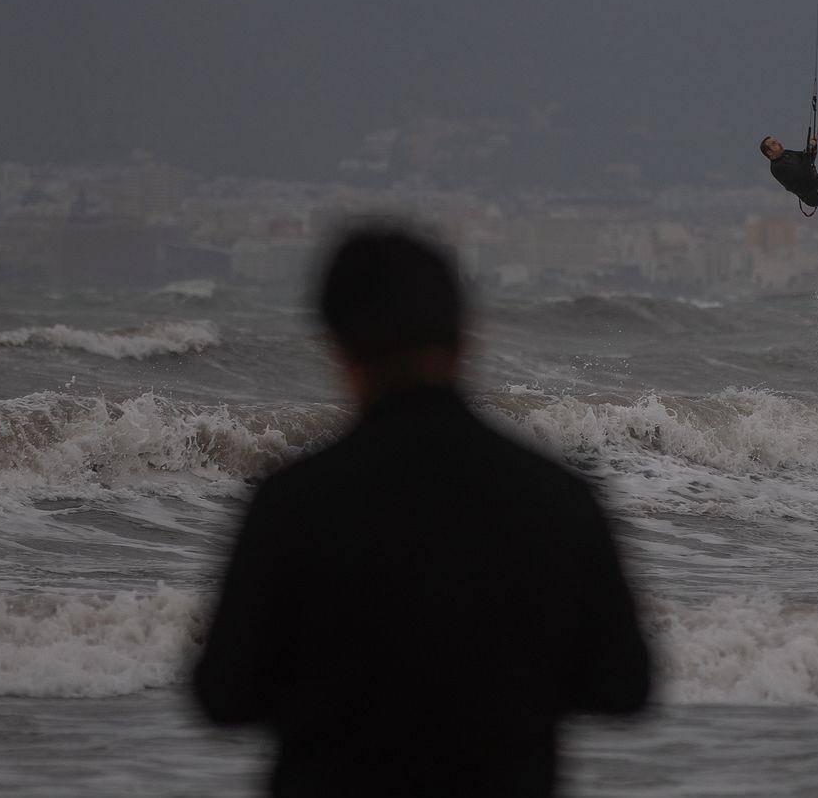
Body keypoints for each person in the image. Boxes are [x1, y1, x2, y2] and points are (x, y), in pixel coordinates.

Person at [193, 224, 652, 797]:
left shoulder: (294, 501)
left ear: (338, 347)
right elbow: (625, 687)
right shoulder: (554, 497)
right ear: (465, 338)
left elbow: (223, 695)